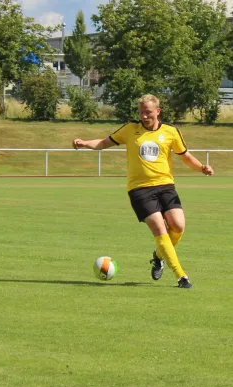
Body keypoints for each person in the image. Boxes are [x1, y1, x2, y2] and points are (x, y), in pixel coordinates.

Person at [72, 94, 214, 289]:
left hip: (165, 186)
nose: (144, 116)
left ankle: (158, 256)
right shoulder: (131, 129)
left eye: (148, 112)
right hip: (139, 189)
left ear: (158, 111)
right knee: (160, 229)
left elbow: (185, 156)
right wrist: (85, 143)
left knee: (178, 226)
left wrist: (201, 168)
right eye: (141, 113)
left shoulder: (171, 132)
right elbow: (105, 142)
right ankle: (181, 276)